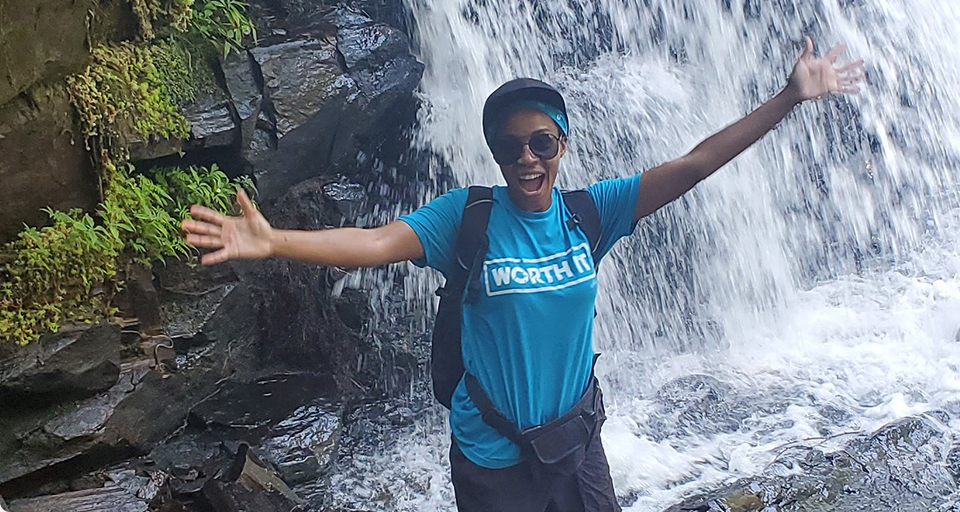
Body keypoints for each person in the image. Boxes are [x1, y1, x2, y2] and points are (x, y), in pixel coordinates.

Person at [181, 37, 864, 512]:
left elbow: (694, 164)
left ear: (562, 143)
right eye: (510, 147)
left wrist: (787, 99)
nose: (527, 159)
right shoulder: (467, 218)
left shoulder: (592, 212)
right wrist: (273, 242)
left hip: (575, 444)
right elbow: (374, 240)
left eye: (541, 142)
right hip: (494, 458)